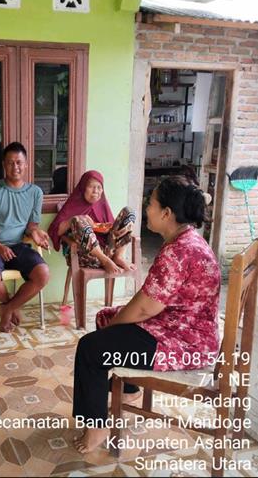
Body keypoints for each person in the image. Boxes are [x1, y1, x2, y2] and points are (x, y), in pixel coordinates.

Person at [72, 176, 221, 453]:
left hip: (184, 344)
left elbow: (144, 307)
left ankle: (97, 426)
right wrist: (114, 322)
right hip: (182, 328)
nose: (146, 208)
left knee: (91, 348)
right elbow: (152, 301)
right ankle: (130, 389)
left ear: (166, 213)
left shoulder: (179, 252)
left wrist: (114, 327)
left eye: (151, 203)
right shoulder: (186, 240)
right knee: (105, 316)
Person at [0, 142, 50, 332]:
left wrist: (34, 232)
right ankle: (10, 305)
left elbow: (31, 225)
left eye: (19, 162)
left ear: (26, 164)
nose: (15, 167)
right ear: (4, 165)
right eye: (11, 163)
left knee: (43, 273)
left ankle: (7, 308)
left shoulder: (35, 193)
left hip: (17, 246)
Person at [48, 170, 136, 274]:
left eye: (99, 187)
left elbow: (114, 232)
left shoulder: (102, 205)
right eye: (91, 186)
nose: (95, 191)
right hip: (84, 255)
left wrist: (96, 226)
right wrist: (73, 220)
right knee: (78, 219)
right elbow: (54, 230)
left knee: (129, 212)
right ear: (83, 188)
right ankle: (104, 260)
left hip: (109, 252)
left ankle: (118, 257)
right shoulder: (73, 204)